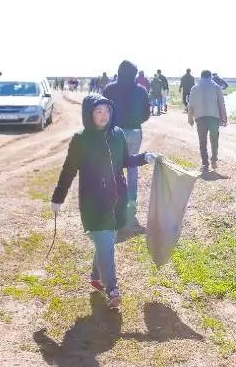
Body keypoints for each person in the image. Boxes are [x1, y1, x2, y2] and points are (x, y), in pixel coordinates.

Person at [50, 94, 157, 309]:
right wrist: (58, 198)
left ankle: (95, 276)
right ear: (89, 114)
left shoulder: (117, 134)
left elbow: (125, 160)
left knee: (107, 244)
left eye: (107, 111)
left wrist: (144, 158)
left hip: (117, 201)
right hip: (94, 204)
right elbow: (68, 170)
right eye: (98, 111)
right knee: (106, 244)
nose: (103, 116)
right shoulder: (81, 139)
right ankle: (112, 289)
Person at [102, 60, 151, 216]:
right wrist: (135, 121)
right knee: (132, 166)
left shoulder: (109, 89)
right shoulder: (141, 91)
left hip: (114, 131)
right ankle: (131, 201)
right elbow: (146, 114)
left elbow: (103, 111)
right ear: (135, 74)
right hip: (135, 130)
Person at [187, 70, 227, 171]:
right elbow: (221, 104)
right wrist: (224, 118)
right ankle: (213, 160)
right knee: (214, 140)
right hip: (214, 118)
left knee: (202, 141)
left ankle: (205, 164)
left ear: (201, 77)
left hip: (200, 118)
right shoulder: (217, 87)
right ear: (210, 77)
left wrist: (190, 118)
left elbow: (191, 105)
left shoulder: (195, 88)